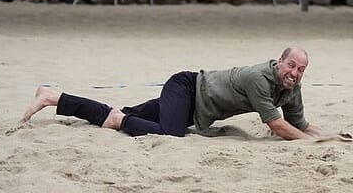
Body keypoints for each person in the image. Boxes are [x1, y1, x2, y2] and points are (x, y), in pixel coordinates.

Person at [22, 47, 323, 140]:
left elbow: (300, 123)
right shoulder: (260, 76)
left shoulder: (292, 87)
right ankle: (120, 121)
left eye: (300, 70)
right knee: (170, 132)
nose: (294, 73)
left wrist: (326, 136)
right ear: (279, 62)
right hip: (187, 88)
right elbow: (276, 124)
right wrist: (313, 143)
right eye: (290, 65)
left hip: (195, 105)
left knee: (116, 113)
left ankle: (52, 97)